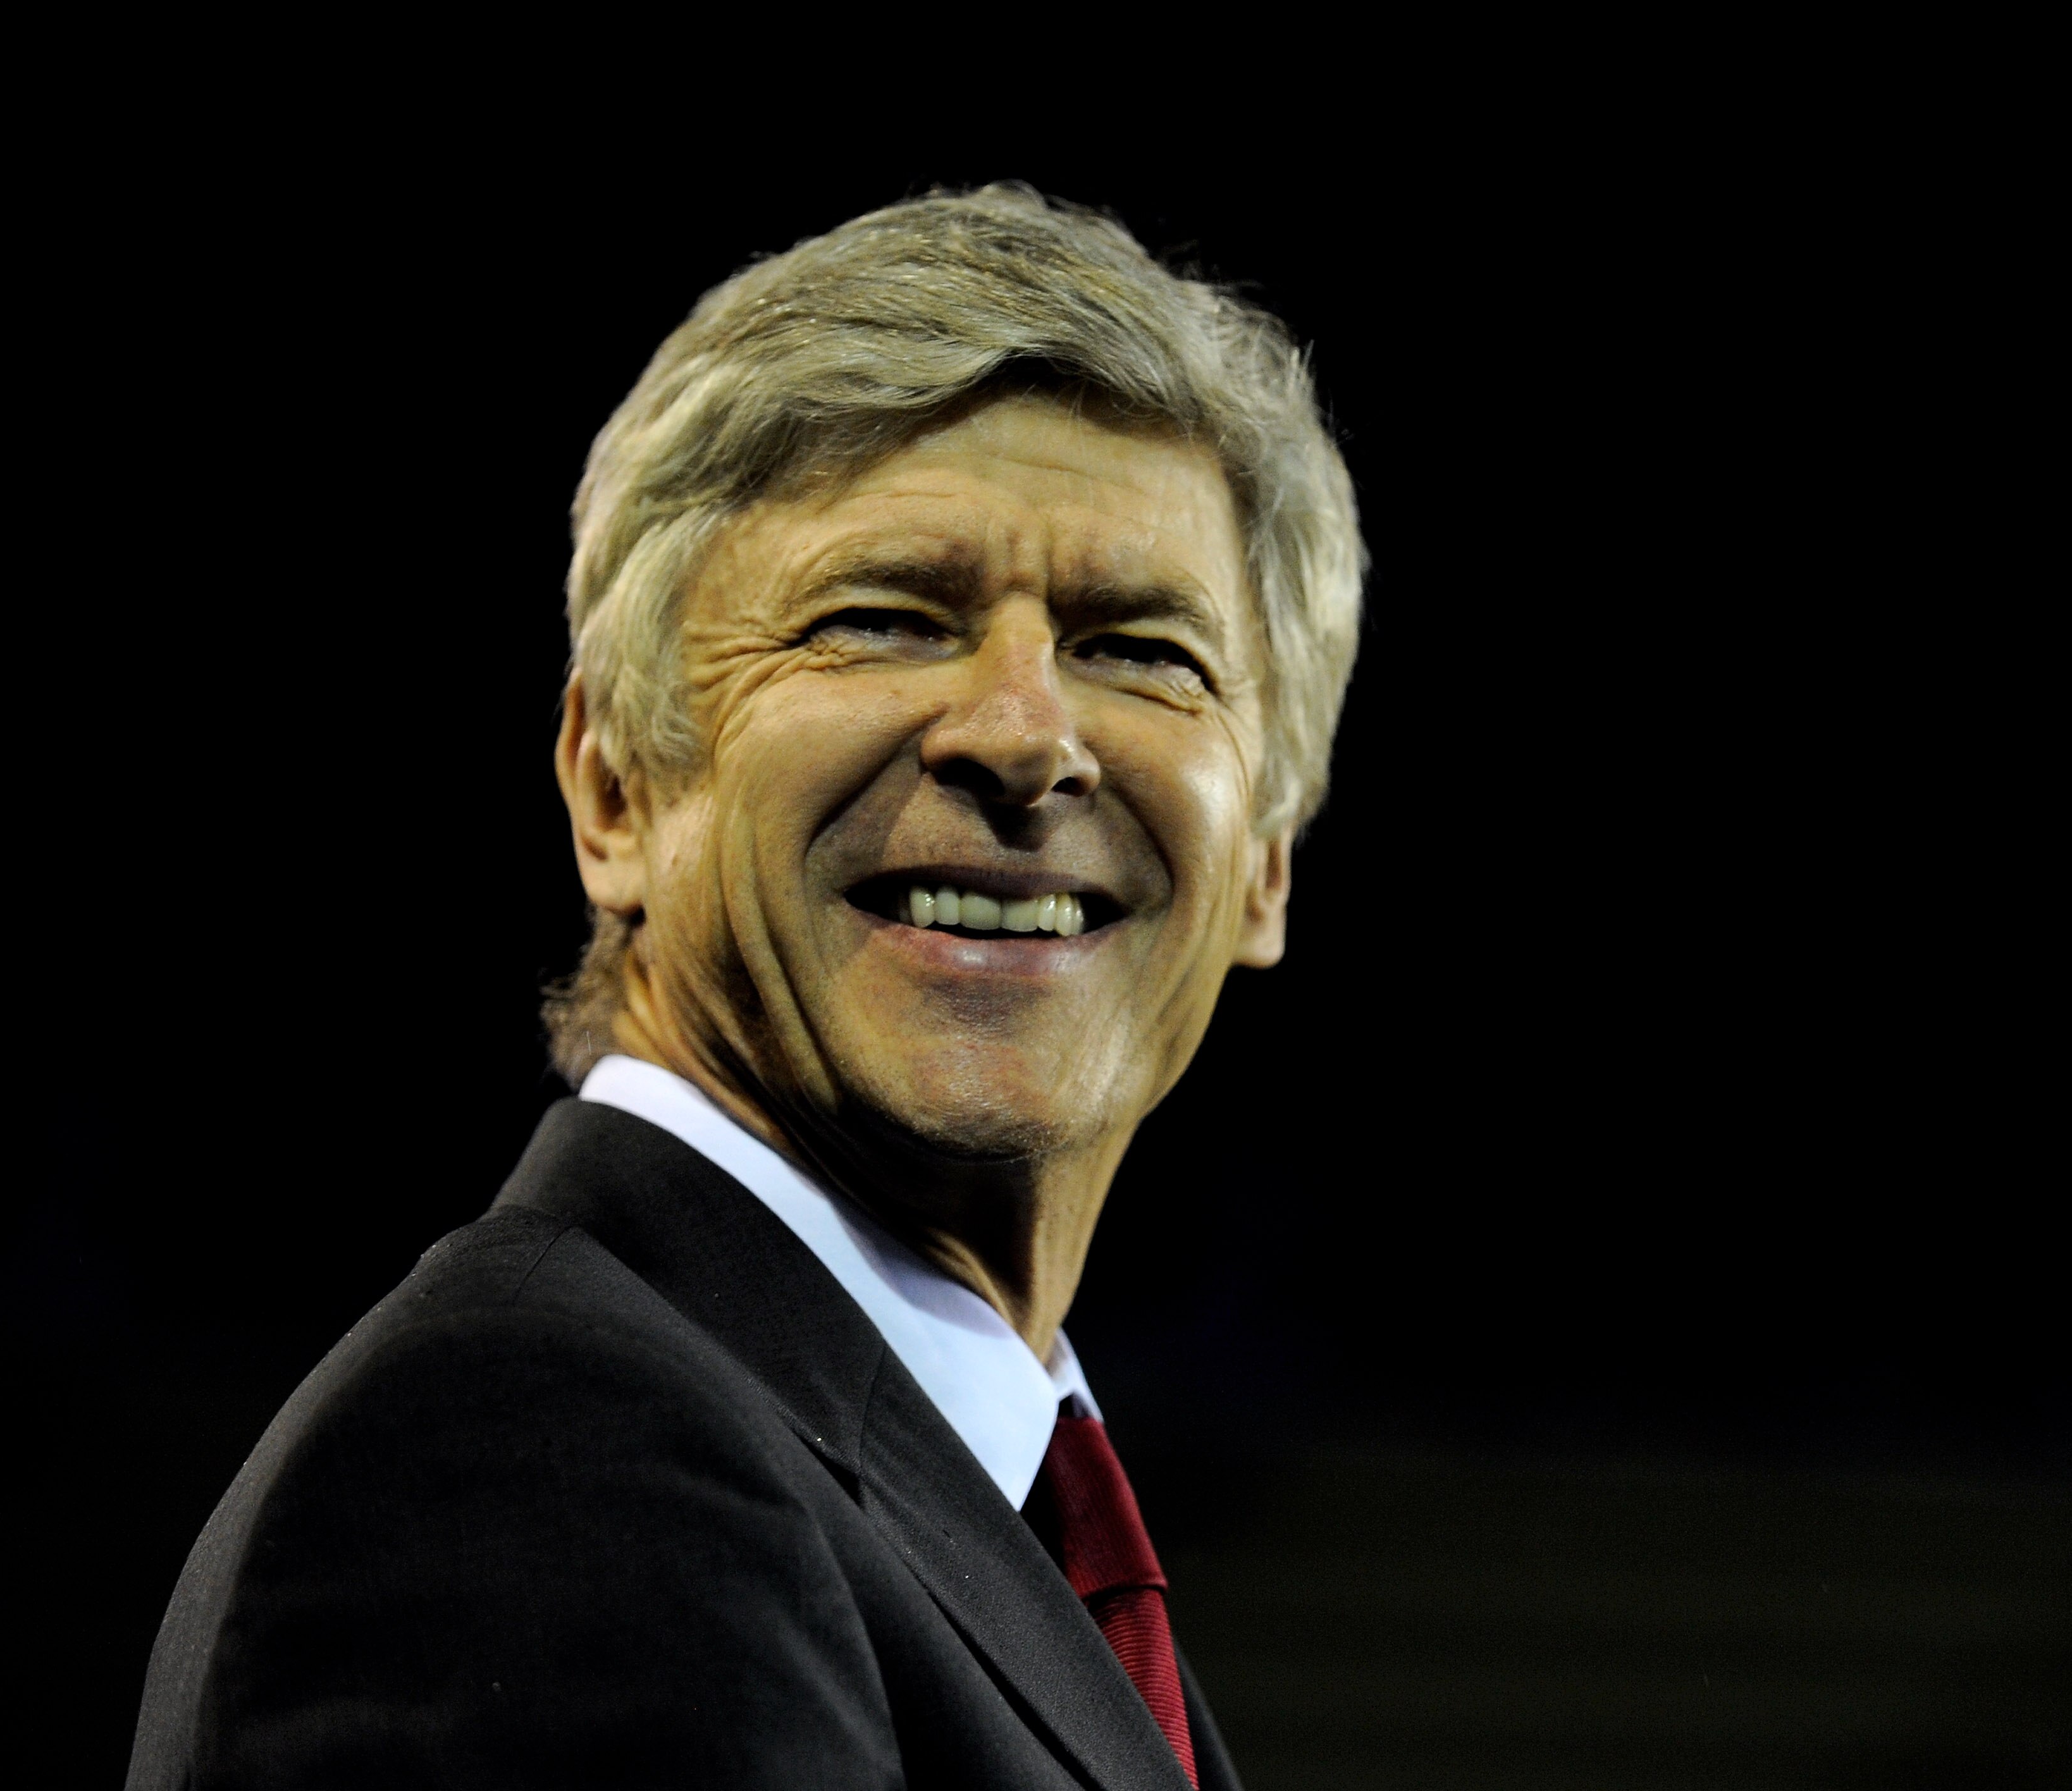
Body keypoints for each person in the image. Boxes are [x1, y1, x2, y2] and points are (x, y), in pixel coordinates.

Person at [126, 185, 1363, 1790]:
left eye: (1141, 647)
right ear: (616, 792)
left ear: (1263, 858)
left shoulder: (965, 1515)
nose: (1022, 733)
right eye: (882, 619)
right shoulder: (536, 1461)